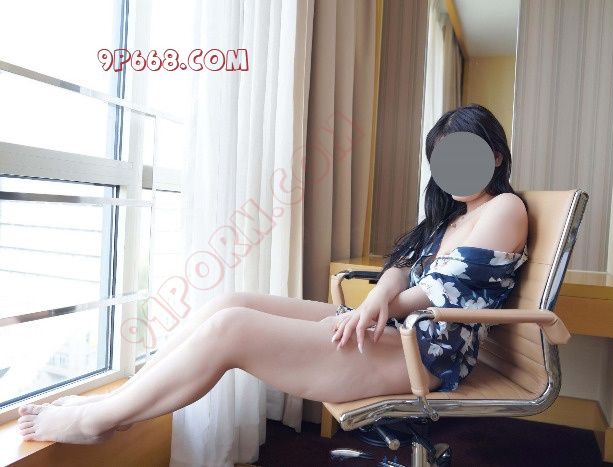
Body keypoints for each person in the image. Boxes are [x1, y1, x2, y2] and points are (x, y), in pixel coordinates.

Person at [16, 104, 528, 444]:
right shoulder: (453, 218)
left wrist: (380, 305)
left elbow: (443, 290)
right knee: (230, 302)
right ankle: (120, 401)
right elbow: (403, 266)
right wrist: (379, 299)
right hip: (398, 327)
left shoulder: (504, 207)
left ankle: (95, 420)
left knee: (232, 329)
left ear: (495, 155)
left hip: (429, 353)